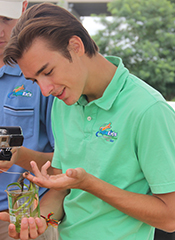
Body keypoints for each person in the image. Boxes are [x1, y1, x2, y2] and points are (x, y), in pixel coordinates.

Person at [2, 2, 175, 240]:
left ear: (76, 45)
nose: (44, 90)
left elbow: (170, 217)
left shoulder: (149, 110)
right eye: (34, 80)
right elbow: (63, 188)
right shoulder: (64, 104)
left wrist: (90, 184)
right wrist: (39, 219)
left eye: (48, 71)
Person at [0, 1, 58, 240]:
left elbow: (68, 162)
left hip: (25, 219)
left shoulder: (41, 76)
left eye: (5, 20)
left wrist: (17, 154)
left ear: (23, 8)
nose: (0, 32)